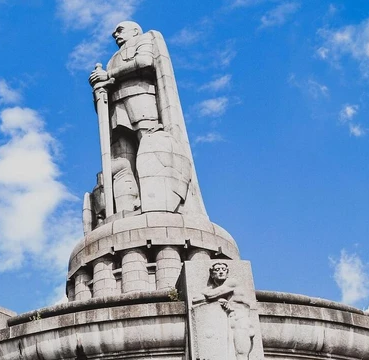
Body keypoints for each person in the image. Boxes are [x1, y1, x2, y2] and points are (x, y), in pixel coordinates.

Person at [88, 21, 201, 217]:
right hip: (117, 105)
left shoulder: (144, 39)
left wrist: (109, 75)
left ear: (135, 31)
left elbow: (145, 62)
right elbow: (108, 85)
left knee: (147, 142)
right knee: (122, 158)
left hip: (141, 96)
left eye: (120, 30)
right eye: (114, 33)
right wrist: (99, 86)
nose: (116, 35)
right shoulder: (113, 58)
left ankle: (150, 196)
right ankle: (125, 205)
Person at [197, 263, 257, 360]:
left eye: (223, 269)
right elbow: (196, 298)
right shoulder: (218, 290)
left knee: (241, 354)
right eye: (217, 270)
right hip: (229, 321)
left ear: (227, 273)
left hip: (241, 322)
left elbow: (210, 295)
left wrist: (216, 298)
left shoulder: (232, 282)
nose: (221, 272)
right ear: (212, 274)